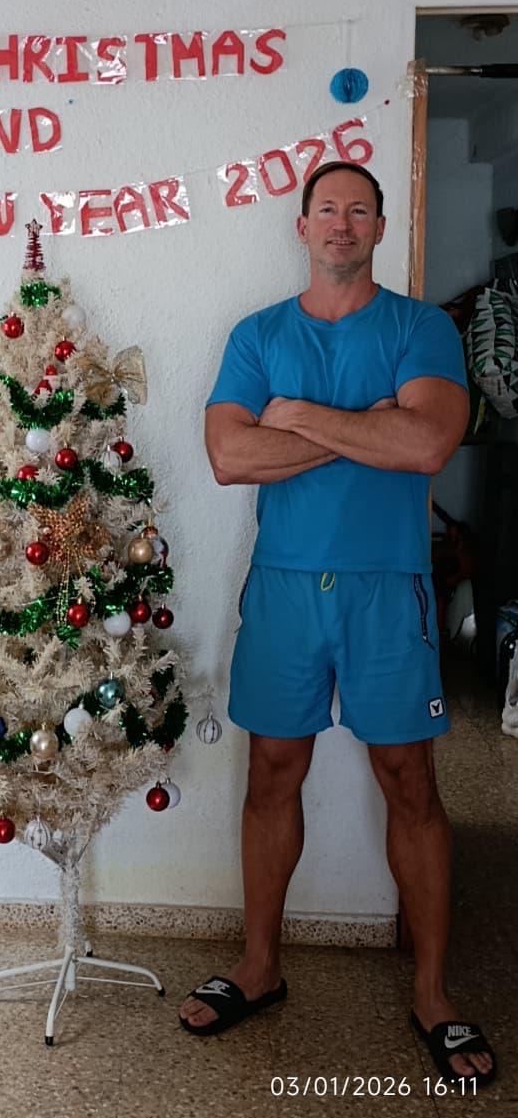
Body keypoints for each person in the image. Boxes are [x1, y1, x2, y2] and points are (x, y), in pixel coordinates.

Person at [179, 161, 496, 1087]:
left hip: (386, 589)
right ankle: (258, 965)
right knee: (271, 772)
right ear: (302, 225)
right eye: (327, 209)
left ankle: (430, 991)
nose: (342, 223)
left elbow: (426, 441)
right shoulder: (257, 334)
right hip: (283, 586)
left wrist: (299, 419)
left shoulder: (419, 328)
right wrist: (361, 426)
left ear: (380, 226)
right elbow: (228, 457)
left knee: (410, 782)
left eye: (359, 209)